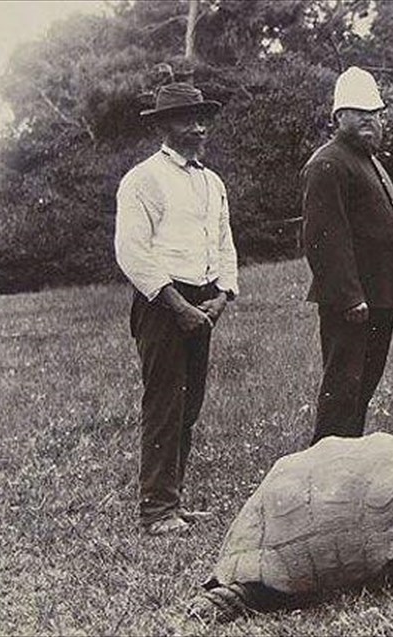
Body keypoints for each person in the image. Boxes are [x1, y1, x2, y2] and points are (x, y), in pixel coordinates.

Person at [115, 82, 238, 536]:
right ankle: (156, 511)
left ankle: (174, 502)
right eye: (188, 118)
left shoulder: (211, 181)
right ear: (165, 125)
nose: (199, 126)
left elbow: (224, 241)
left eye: (204, 117)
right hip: (162, 304)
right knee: (164, 405)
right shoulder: (143, 179)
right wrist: (177, 305)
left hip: (203, 301)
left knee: (189, 407)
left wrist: (223, 295)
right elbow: (132, 253)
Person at [301, 66, 393, 445]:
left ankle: (346, 462)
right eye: (358, 111)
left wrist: (390, 293)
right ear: (338, 117)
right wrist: (350, 297)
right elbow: (324, 239)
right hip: (352, 302)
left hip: (380, 297)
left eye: (375, 112)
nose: (369, 119)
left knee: (362, 388)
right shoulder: (328, 163)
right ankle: (324, 469)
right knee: (342, 390)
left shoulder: (368, 160)